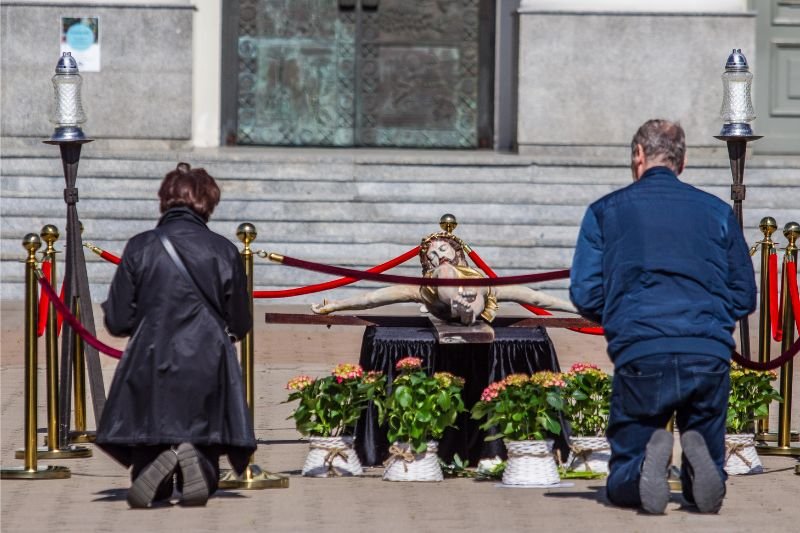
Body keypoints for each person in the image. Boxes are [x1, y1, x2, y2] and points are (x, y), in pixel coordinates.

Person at [569, 119, 756, 515]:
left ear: (638, 154)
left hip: (642, 349)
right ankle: (703, 475)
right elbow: (743, 294)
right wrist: (713, 319)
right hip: (706, 349)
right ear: (682, 161)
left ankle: (639, 469)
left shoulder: (605, 212)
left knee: (624, 468)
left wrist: (623, 318)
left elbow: (584, 292)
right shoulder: (718, 212)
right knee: (705, 436)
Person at [96, 163, 256, 509]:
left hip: (151, 358)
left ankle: (153, 470)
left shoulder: (140, 247)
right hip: (208, 359)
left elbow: (119, 320)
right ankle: (196, 460)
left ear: (165, 200)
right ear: (207, 203)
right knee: (205, 445)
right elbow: (241, 321)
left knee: (148, 438)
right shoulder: (224, 250)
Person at [311, 231, 577, 325]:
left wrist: (578, 309)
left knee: (487, 290)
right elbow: (373, 298)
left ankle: (468, 309)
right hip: (443, 301)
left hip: (475, 300)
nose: (438, 255)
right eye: (432, 254)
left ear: (456, 249)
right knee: (445, 274)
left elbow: (534, 297)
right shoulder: (427, 281)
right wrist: (337, 305)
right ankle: (461, 305)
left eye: (443, 249)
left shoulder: (480, 276)